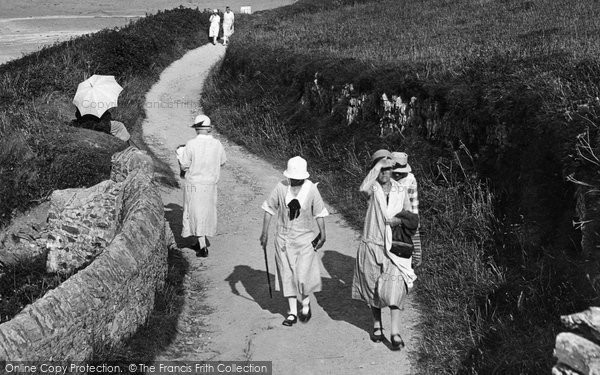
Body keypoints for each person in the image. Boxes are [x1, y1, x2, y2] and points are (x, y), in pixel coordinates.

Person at [351, 149, 416, 351]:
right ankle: (377, 324)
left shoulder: (399, 189)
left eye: (388, 168)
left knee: (396, 288)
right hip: (372, 244)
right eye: (381, 169)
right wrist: (377, 165)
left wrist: (398, 220)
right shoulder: (373, 188)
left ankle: (395, 332)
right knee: (373, 287)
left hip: (393, 247)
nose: (385, 173)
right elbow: (363, 188)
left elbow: (410, 216)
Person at [260, 156, 328, 326]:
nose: (295, 181)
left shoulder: (311, 189)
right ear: (288, 176)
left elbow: (319, 212)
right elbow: (269, 208)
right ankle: (291, 312)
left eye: (299, 179)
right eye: (293, 178)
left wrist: (323, 233)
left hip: (305, 239)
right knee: (286, 274)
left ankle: (305, 303)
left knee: (303, 274)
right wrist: (264, 232)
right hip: (283, 239)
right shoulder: (281, 187)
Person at [177, 114, 226, 257]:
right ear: (209, 128)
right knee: (205, 212)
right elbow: (222, 161)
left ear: (197, 129)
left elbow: (185, 165)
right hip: (210, 184)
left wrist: (180, 155)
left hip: (195, 183)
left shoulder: (191, 144)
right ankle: (200, 241)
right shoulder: (217, 144)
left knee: (194, 212)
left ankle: (203, 247)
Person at [390, 152, 421, 268]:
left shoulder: (410, 180)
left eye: (400, 173)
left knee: (412, 248)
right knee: (393, 248)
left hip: (408, 217)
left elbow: (413, 202)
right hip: (392, 218)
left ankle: (410, 268)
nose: (398, 175)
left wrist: (413, 221)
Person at [71, 109, 137, 147]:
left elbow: (77, 115)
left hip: (87, 124)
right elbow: (106, 120)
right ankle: (128, 148)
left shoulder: (82, 102)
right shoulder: (99, 104)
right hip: (100, 126)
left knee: (118, 126)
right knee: (120, 126)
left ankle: (127, 146)